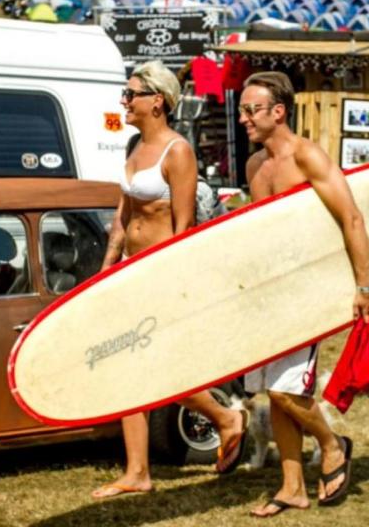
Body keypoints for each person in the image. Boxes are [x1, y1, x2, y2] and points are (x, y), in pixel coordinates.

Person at [92, 60, 247, 499]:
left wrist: (172, 277)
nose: (124, 101)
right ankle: (137, 471)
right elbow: (123, 216)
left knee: (155, 368)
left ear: (157, 100)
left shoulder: (177, 152)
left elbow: (184, 225)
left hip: (159, 272)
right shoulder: (132, 146)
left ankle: (224, 419)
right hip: (131, 270)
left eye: (131, 93)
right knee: (129, 368)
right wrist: (108, 265)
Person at [239, 71, 369, 517]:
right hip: (271, 291)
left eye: (251, 110)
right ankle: (292, 487)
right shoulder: (254, 167)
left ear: (278, 112)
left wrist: (364, 285)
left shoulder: (307, 156)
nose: (243, 118)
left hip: (309, 289)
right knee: (269, 392)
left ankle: (332, 444)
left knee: (285, 392)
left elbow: (351, 218)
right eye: (242, 109)